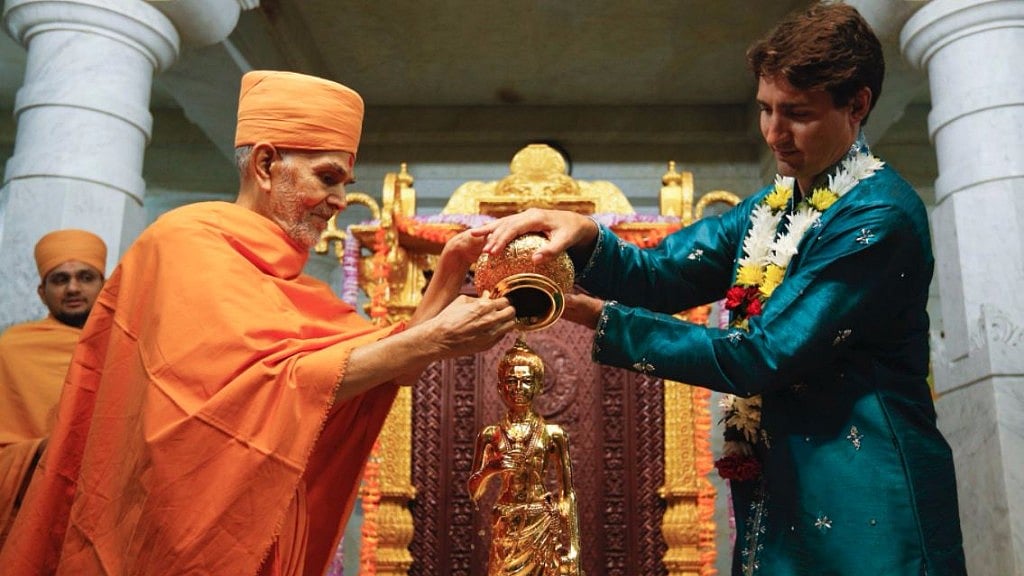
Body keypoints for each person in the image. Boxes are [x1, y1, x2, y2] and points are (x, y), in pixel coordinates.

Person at [473, 3, 966, 575]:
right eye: (765, 110)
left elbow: (763, 354)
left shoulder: (876, 217)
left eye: (797, 113)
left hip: (867, 495)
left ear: (857, 104)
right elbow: (665, 274)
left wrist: (593, 316)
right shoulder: (774, 207)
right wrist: (583, 237)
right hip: (782, 489)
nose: (775, 133)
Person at [0, 70, 516, 576]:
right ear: (267, 164)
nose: (339, 201)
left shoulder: (298, 286)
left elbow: (387, 367)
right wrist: (434, 338)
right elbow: (245, 395)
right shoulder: (185, 242)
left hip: (263, 521)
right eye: (328, 177)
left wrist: (447, 274)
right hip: (185, 536)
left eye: (344, 183)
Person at [0, 229, 107, 544]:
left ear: (105, 287)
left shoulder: (127, 347)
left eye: (85, 277)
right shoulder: (12, 350)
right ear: (41, 292)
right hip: (31, 510)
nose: (73, 288)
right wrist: (40, 452)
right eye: (59, 280)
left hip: (105, 509)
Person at [467, 338, 582, 576]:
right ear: (501, 387)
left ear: (538, 386)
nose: (518, 388)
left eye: (526, 381)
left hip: (541, 521)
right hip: (507, 522)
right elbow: (473, 491)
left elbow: (566, 493)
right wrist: (491, 469)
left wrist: (572, 547)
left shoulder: (553, 435)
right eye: (511, 381)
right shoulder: (491, 435)